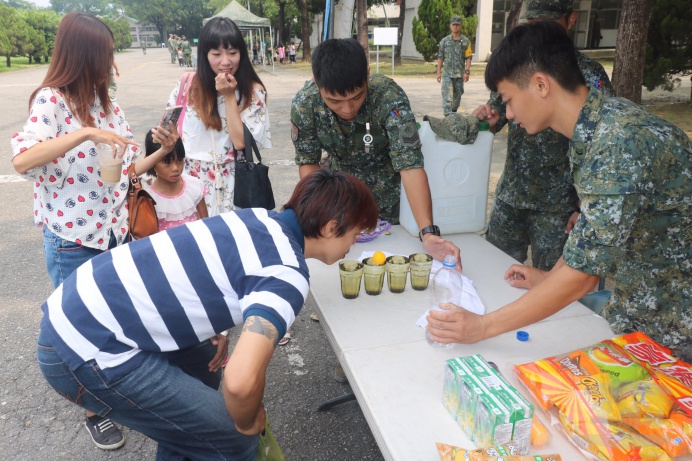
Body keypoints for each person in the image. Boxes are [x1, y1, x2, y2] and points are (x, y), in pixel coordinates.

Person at [36, 169, 379, 460]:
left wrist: (212, 327)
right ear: (332, 227)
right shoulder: (287, 275)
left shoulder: (258, 218)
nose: (355, 243)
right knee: (234, 436)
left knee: (202, 367)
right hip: (84, 350)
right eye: (356, 232)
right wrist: (248, 422)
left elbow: (198, 267)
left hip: (76, 305)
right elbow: (241, 383)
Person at [427, 21, 692, 363]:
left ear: (540, 85)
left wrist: (481, 327)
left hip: (674, 335)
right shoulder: (597, 128)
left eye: (508, 99)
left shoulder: (617, 144)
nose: (507, 113)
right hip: (643, 315)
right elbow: (596, 239)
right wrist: (548, 278)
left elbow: (583, 277)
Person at [9, 12, 172, 451]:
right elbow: (22, 160)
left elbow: (123, 173)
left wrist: (161, 154)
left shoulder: (107, 106)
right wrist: (82, 133)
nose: (111, 64)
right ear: (82, 56)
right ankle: (93, 411)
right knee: (80, 330)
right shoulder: (51, 102)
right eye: (105, 55)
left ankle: (117, 396)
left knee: (115, 322)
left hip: (113, 235)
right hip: (72, 243)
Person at [292, 38, 461, 268]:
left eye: (357, 97)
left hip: (392, 207)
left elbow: (410, 166)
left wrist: (428, 233)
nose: (347, 109)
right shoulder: (305, 105)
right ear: (316, 81)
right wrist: (322, 219)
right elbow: (309, 166)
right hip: (343, 208)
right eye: (334, 101)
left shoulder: (389, 98)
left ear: (368, 75)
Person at [472, 0, 614, 271]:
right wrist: (491, 120)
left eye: (545, 24)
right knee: (493, 271)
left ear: (570, 20)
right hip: (512, 194)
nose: (536, 32)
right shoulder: (519, 66)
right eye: (531, 25)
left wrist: (583, 206)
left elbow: (600, 141)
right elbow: (504, 110)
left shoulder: (586, 73)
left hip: (557, 205)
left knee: (552, 280)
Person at [169, 17, 271, 217]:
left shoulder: (252, 92)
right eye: (216, 54)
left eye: (233, 53)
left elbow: (240, 142)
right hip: (189, 184)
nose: (226, 61)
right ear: (204, 55)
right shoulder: (186, 86)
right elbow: (167, 131)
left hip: (234, 185)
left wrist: (229, 96)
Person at [142, 130, 208, 230]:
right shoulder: (149, 200)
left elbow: (206, 223)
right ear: (151, 161)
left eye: (180, 160)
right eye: (167, 162)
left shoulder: (194, 186)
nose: (175, 168)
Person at [436, 15, 473, 116]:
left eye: (457, 25)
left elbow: (469, 57)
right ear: (450, 26)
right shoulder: (444, 41)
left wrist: (467, 72)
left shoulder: (466, 41)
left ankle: (453, 113)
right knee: (447, 97)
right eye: (453, 25)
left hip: (459, 74)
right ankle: (448, 117)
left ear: (460, 26)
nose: (455, 27)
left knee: (457, 97)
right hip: (447, 74)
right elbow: (440, 57)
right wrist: (438, 72)